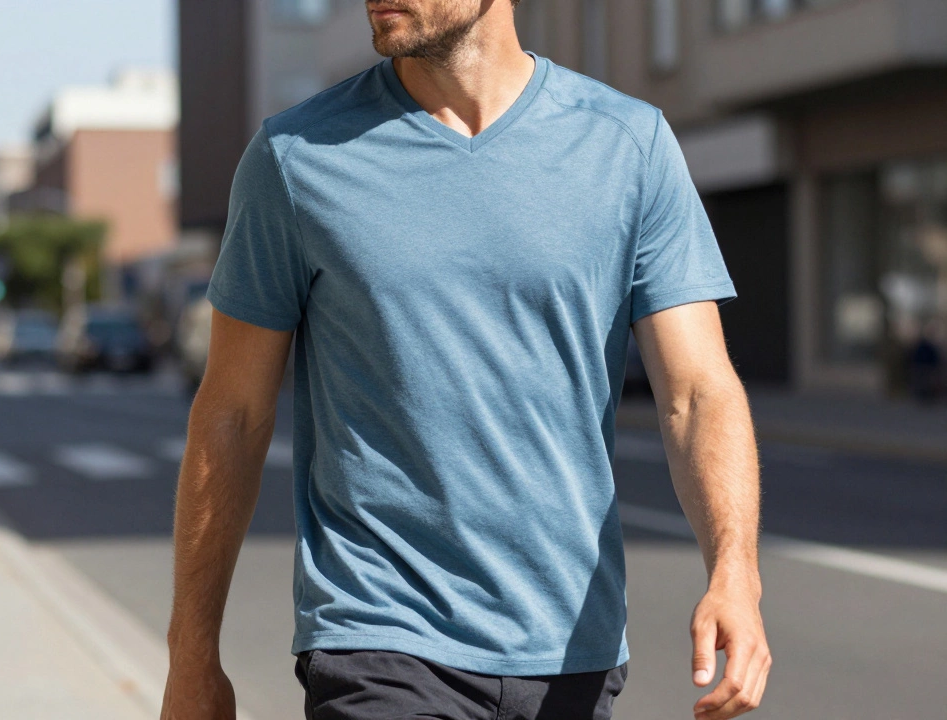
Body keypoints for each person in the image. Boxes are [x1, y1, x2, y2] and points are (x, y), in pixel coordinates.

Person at [161, 1, 771, 719]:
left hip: (573, 649)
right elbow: (231, 414)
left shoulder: (627, 147)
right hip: (378, 636)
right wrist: (192, 654)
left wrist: (736, 570)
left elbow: (698, 391)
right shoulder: (295, 158)